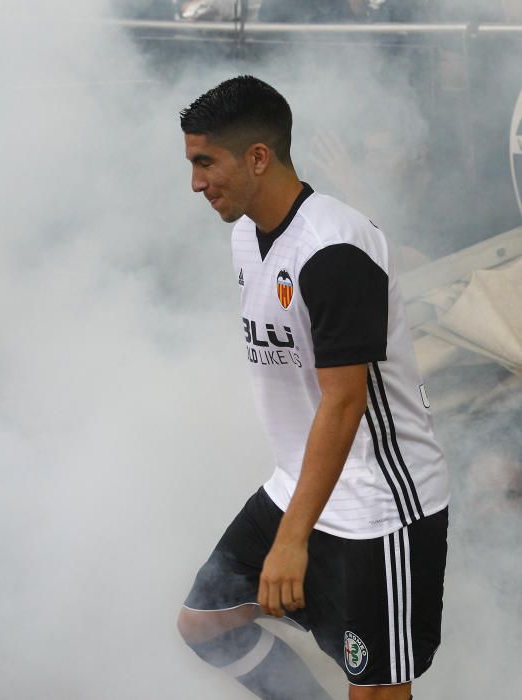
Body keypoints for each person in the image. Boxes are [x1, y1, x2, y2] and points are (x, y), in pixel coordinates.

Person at [177, 76, 450, 700]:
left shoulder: (334, 248)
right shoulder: (245, 235)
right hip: (301, 484)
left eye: (204, 162)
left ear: (257, 157)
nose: (195, 183)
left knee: (377, 690)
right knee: (206, 622)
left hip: (381, 505)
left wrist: (292, 540)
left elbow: (346, 400)